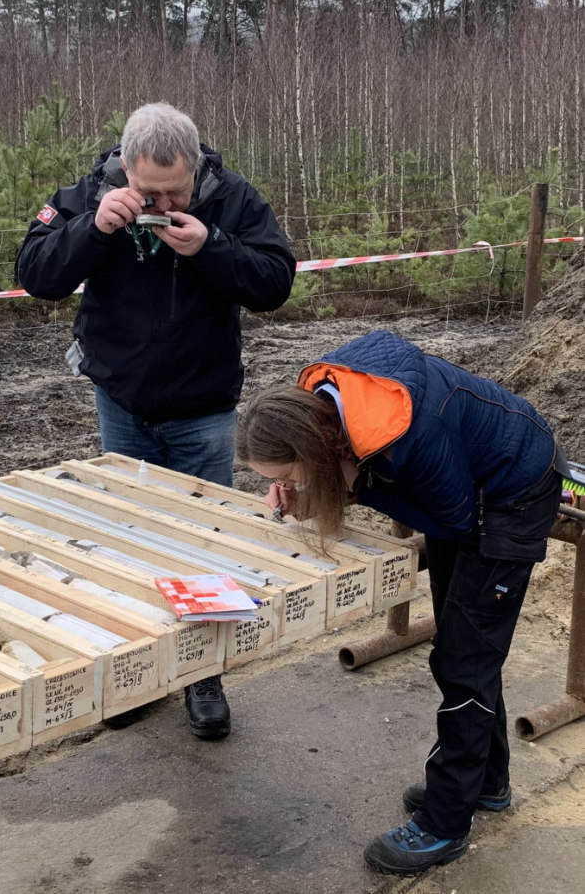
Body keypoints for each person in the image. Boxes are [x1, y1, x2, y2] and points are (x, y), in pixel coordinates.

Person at [235, 329, 566, 875]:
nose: (282, 493)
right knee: (468, 650)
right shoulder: (330, 410)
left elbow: (456, 522)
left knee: (464, 657)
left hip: (513, 490)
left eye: (286, 480)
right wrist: (325, 486)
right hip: (465, 479)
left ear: (317, 452)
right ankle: (486, 782)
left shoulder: (408, 431)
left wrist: (354, 489)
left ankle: (445, 824)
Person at [16, 102, 296, 739]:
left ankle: (202, 676)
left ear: (196, 169)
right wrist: (92, 228)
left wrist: (210, 246)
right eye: (147, 192)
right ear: (124, 168)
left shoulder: (233, 199)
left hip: (204, 407)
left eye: (175, 192)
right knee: (129, 540)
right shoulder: (89, 192)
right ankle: (140, 673)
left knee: (202, 546)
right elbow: (35, 275)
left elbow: (276, 283)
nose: (162, 203)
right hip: (122, 403)